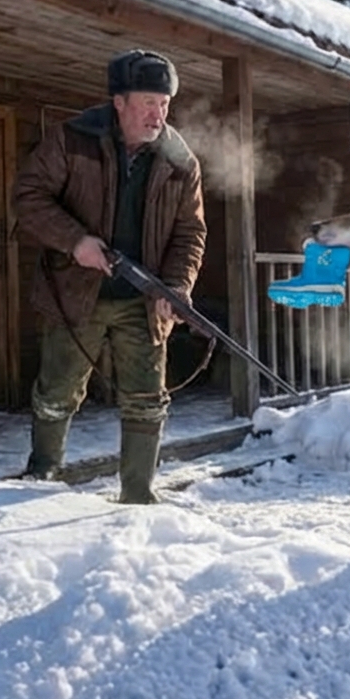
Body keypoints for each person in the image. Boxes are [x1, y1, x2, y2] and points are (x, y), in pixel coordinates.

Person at [13, 49, 207, 502]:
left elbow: (190, 233)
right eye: (147, 102)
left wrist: (177, 287)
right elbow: (28, 196)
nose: (157, 114)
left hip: (144, 301)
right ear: (118, 102)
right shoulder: (71, 140)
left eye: (164, 103)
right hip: (75, 292)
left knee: (146, 397)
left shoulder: (182, 163)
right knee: (57, 390)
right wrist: (76, 241)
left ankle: (138, 494)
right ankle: (40, 480)